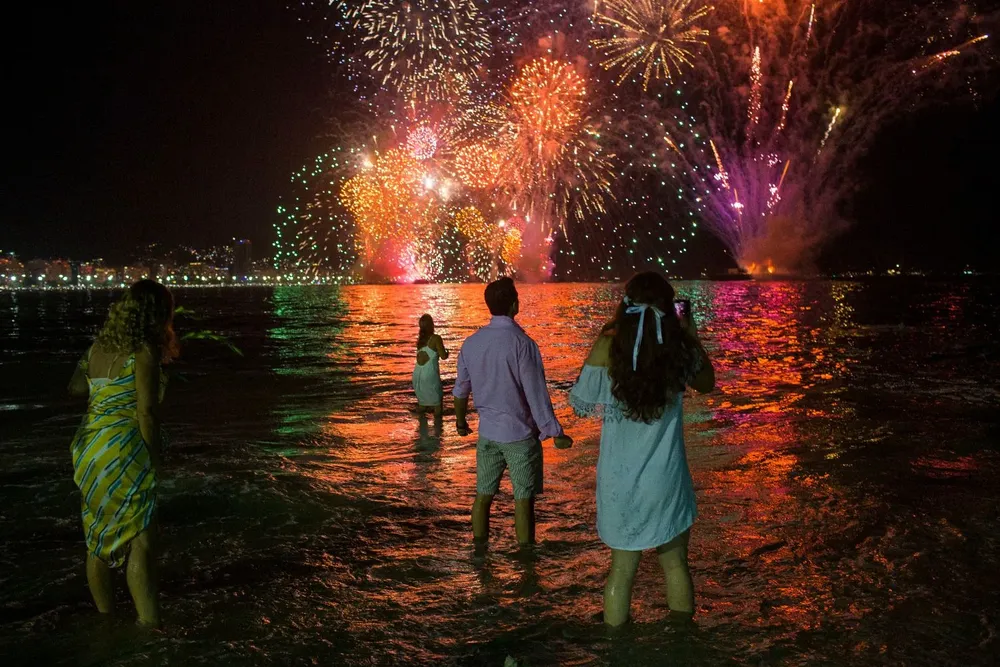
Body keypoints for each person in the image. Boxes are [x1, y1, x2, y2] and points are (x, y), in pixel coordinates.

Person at [568, 272, 714, 627]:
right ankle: (682, 645)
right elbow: (707, 384)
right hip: (666, 479)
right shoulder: (678, 347)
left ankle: (616, 648)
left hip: (620, 482)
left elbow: (580, 402)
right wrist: (690, 333)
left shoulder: (611, 344)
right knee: (676, 564)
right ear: (668, 307)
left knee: (621, 571)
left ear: (627, 304)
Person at [67, 279, 178, 627]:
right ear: (158, 314)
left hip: (88, 447)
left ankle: (105, 620)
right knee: (140, 537)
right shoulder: (143, 351)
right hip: (123, 446)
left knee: (96, 535)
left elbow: (74, 388)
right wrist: (154, 458)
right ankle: (149, 624)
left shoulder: (96, 349)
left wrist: (103, 391)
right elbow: (146, 413)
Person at [453, 277, 573, 547]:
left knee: (483, 496)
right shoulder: (523, 344)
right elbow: (536, 393)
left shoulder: (471, 343)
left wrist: (461, 422)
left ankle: (480, 552)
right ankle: (525, 559)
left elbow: (461, 390)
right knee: (523, 500)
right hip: (519, 434)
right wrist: (554, 431)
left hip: (487, 434)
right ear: (514, 304)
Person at [412, 314, 449, 419]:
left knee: (422, 405)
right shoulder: (436, 338)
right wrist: (447, 353)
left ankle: (422, 430)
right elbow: (443, 356)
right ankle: (438, 430)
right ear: (431, 325)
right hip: (430, 374)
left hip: (417, 375)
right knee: (438, 404)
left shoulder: (420, 341)